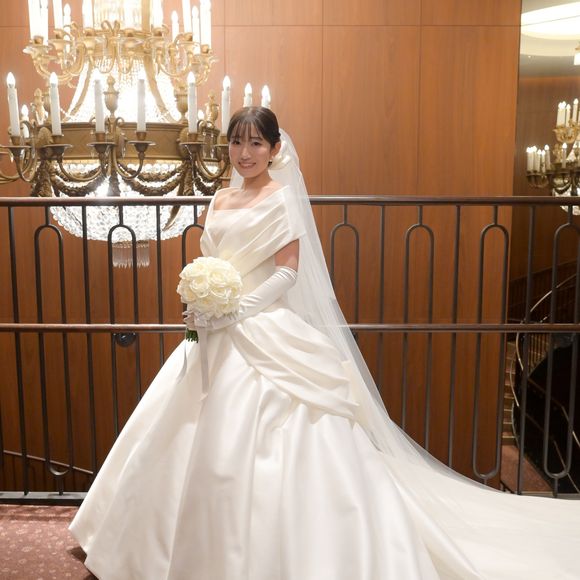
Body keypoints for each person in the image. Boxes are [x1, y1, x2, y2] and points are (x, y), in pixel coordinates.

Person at [69, 107, 580, 579]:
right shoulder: (219, 198)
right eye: (237, 143)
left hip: (261, 324)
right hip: (213, 331)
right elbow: (213, 260)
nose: (245, 153)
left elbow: (287, 272)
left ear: (274, 149)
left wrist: (237, 308)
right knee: (178, 426)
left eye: (256, 143)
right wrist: (204, 303)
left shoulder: (282, 199)